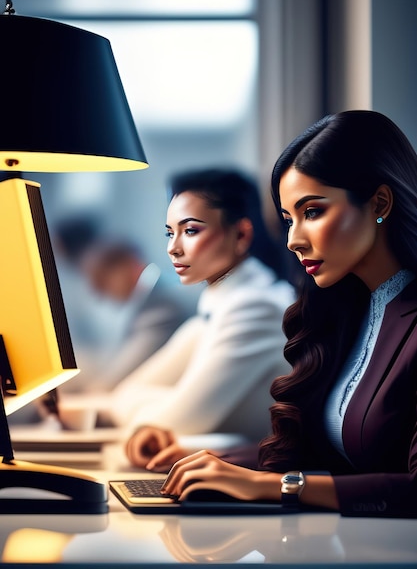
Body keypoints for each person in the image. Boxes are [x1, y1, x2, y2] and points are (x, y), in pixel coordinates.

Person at [158, 110, 417, 519]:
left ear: (379, 203)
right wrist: (214, 458)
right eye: (287, 219)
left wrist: (271, 485)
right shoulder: (349, 312)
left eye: (312, 212)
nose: (294, 240)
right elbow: (323, 453)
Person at [105, 167, 295, 463]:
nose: (173, 248)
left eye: (191, 230)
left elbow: (171, 424)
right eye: (170, 233)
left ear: (242, 234)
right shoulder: (217, 307)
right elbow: (123, 396)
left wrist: (162, 407)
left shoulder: (255, 308)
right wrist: (168, 405)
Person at [72, 238, 194, 390]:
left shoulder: (161, 308)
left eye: (102, 281)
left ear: (130, 264)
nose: (100, 294)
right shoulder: (152, 300)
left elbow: (119, 377)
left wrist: (88, 394)